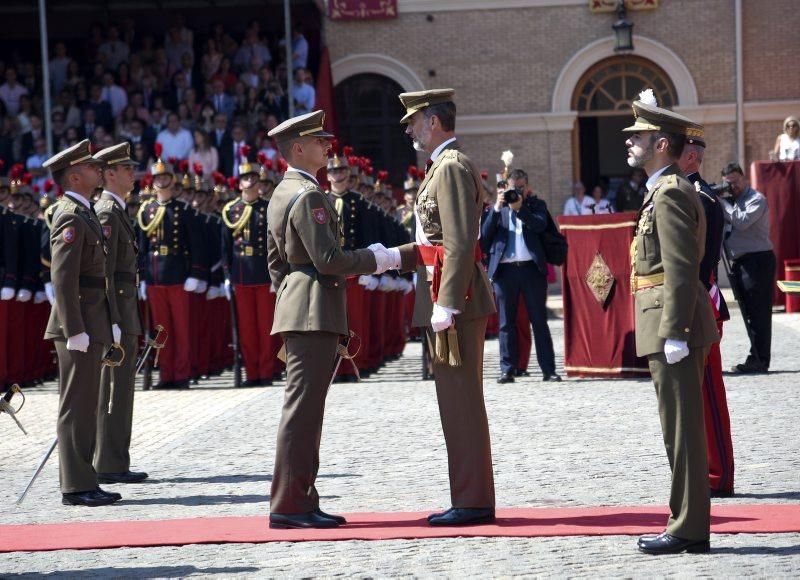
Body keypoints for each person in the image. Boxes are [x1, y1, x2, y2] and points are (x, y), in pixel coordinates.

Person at [265, 110, 391, 529]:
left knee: (305, 409)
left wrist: (288, 296)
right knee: (303, 411)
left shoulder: (283, 191)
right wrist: (377, 258)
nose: (328, 146)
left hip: (302, 305)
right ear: (298, 148)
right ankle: (290, 504)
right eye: (319, 141)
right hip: (313, 309)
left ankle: (300, 497)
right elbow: (329, 260)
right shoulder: (308, 195)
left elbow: (275, 263)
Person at [394, 89, 497, 526]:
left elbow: (456, 242)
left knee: (461, 402)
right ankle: (468, 495)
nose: (410, 129)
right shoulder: (442, 167)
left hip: (454, 299)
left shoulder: (451, 167)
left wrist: (448, 302)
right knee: (455, 402)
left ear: (433, 121)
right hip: (444, 293)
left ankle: (472, 500)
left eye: (414, 121)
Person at [624, 93, 719, 554]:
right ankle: (685, 523)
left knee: (682, 431)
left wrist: (676, 330)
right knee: (677, 429)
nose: (630, 142)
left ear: (661, 143)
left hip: (672, 324)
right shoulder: (664, 189)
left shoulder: (672, 191)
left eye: (637, 136)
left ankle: (687, 528)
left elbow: (682, 267)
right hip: (664, 320)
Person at [41, 139, 119, 506]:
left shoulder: (84, 210)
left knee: (88, 402)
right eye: (90, 166)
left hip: (91, 318)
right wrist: (74, 329)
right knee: (76, 403)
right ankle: (75, 484)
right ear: (74, 176)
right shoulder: (70, 215)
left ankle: (85, 478)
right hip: (78, 323)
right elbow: (63, 278)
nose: (98, 169)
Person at [678, 133, 735, 497]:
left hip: (700, 300)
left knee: (708, 391)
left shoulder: (700, 197)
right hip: (690, 300)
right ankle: (705, 469)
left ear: (692, 158)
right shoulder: (682, 192)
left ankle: (719, 473)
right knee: (693, 393)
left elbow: (701, 260)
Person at [91, 142, 148, 485]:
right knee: (114, 390)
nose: (133, 173)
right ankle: (109, 462)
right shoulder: (107, 212)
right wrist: (111, 320)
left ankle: (116, 459)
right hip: (118, 314)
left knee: (123, 388)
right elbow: (105, 273)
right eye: (127, 169)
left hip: (126, 311)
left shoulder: (119, 209)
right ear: (110, 174)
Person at [481, 168, 560, 383]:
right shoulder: (497, 210)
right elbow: (484, 239)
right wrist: (497, 207)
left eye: (521, 187)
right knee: (506, 323)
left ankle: (548, 370)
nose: (517, 191)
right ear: (505, 187)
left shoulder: (536, 205)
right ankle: (507, 369)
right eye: (512, 187)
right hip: (505, 272)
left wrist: (521, 209)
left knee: (539, 321)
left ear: (527, 187)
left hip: (531, 270)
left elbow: (541, 225)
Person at [137, 152, 208, 389]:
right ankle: (165, 374)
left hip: (178, 275)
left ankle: (181, 374)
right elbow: (142, 247)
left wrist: (195, 274)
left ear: (172, 179)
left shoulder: (183, 209)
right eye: (157, 177)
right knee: (161, 330)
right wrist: (143, 278)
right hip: (155, 277)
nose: (160, 181)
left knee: (181, 328)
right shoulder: (146, 211)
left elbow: (197, 245)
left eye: (164, 176)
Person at [221, 156, 279, 387]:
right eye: (245, 178)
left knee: (265, 328)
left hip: (264, 275)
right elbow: (225, 247)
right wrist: (227, 276)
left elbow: (277, 243)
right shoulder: (231, 210)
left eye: (253, 177)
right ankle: (251, 373)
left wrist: (277, 275)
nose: (249, 181)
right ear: (239, 183)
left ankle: (265, 373)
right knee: (245, 329)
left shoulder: (268, 208)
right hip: (241, 276)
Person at [720, 162, 775, 374]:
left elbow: (741, 221)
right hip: (742, 262)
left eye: (735, 182)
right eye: (728, 183)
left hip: (758, 261)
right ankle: (756, 357)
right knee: (749, 312)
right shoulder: (733, 201)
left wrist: (721, 203)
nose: (732, 187)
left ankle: (761, 360)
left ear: (744, 178)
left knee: (758, 313)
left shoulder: (756, 199)